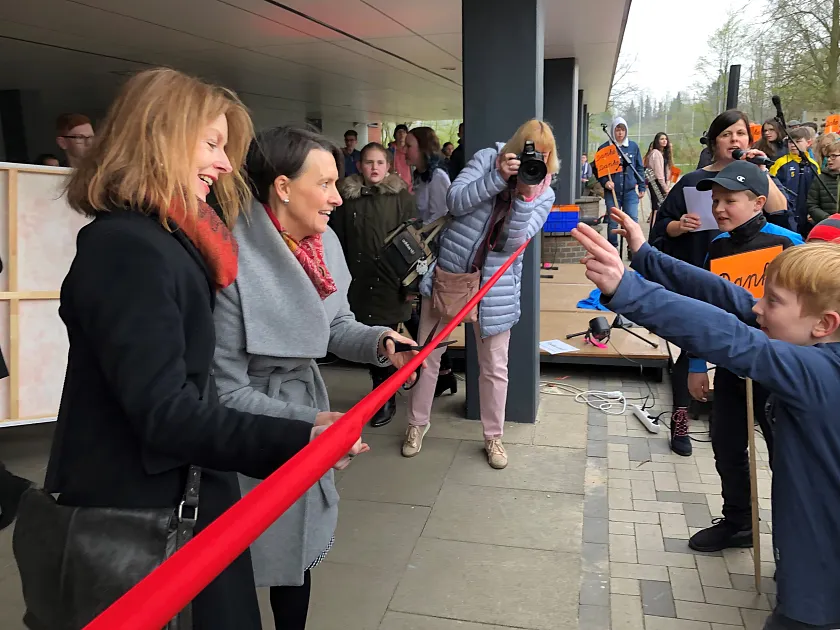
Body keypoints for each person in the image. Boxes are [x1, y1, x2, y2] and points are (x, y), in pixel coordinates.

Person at [41, 68, 365, 630]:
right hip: (142, 517)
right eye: (211, 144)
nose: (222, 163)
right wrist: (300, 437)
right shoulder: (129, 248)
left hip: (179, 502)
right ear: (159, 137)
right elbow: (166, 411)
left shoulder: (164, 239)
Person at [571, 216, 840, 630]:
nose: (757, 307)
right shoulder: (814, 345)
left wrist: (629, 290)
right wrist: (647, 258)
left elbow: (732, 336)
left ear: (824, 324)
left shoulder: (819, 375)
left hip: (818, 589)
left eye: (773, 301)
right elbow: (726, 298)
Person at [212, 126, 417, 630]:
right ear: (282, 188)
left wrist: (379, 343)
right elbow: (225, 390)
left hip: (302, 416)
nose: (334, 198)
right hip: (252, 435)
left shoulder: (320, 246)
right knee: (232, 573)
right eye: (324, 184)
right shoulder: (227, 260)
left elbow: (334, 325)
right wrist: (310, 424)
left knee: (295, 559)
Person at [404, 119, 557, 468]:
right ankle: (416, 424)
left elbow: (514, 242)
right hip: (451, 274)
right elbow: (454, 201)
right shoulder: (488, 159)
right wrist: (497, 177)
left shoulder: (544, 192)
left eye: (543, 156)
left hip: (496, 287)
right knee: (427, 354)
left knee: (494, 367)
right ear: (513, 148)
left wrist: (525, 197)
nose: (535, 160)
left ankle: (494, 438)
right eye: (528, 152)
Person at [649, 109, 790, 456]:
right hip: (702, 267)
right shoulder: (693, 180)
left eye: (741, 133)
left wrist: (760, 171)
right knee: (694, 341)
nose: (735, 140)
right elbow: (660, 227)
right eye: (727, 134)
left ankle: (730, 419)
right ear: (714, 141)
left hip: (751, 279)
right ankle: (681, 416)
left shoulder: (759, 178)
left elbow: (781, 210)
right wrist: (678, 226)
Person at [685, 161, 802, 553]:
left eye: (729, 200)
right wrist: (697, 364)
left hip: (779, 370)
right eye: (715, 200)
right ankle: (738, 522)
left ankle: (795, 545)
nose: (718, 208)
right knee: (727, 446)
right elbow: (703, 309)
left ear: (757, 203)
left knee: (786, 457)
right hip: (733, 368)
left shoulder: (788, 244)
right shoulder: (716, 247)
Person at [333, 142, 418, 427]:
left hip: (390, 282)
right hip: (358, 282)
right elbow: (338, 241)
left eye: (379, 163)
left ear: (388, 166)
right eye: (369, 162)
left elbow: (414, 244)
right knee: (371, 340)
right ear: (359, 166)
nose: (374, 168)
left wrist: (410, 287)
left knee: (388, 340)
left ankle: (385, 398)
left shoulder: (401, 198)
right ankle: (384, 390)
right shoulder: (346, 199)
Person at [405, 126, 457, 396]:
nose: (405, 150)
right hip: (421, 248)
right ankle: (443, 374)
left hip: (432, 254)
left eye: (410, 145)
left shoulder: (437, 177)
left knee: (427, 315)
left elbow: (444, 216)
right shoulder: (420, 176)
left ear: (423, 148)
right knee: (420, 315)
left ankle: (440, 372)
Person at [594, 116, 646, 248]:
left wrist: (641, 186)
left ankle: (632, 247)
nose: (620, 133)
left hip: (629, 191)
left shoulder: (633, 147)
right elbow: (597, 169)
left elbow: (639, 167)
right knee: (613, 222)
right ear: (613, 131)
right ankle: (612, 248)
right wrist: (605, 182)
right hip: (612, 192)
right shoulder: (604, 149)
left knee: (632, 220)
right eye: (617, 130)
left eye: (622, 130)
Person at [770, 127, 821, 238]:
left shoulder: (813, 165)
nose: (793, 145)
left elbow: (817, 190)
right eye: (790, 142)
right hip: (787, 210)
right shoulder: (780, 163)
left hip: (805, 211)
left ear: (808, 143)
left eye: (797, 141)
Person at [807, 138, 840, 224]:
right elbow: (812, 205)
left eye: (833, 156)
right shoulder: (820, 178)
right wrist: (828, 218)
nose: (829, 159)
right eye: (828, 156)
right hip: (827, 225)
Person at [644, 132, 673, 218]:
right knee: (656, 209)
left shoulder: (664, 154)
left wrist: (667, 182)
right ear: (657, 141)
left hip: (661, 183)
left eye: (665, 139)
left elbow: (667, 170)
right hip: (655, 183)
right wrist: (665, 188)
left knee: (660, 208)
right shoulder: (655, 153)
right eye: (662, 139)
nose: (664, 141)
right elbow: (659, 173)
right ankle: (653, 229)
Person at [390, 124, 412, 190]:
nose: (401, 134)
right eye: (399, 132)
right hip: (393, 184)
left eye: (404, 132)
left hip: (409, 185)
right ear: (395, 134)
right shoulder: (389, 150)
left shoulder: (410, 150)